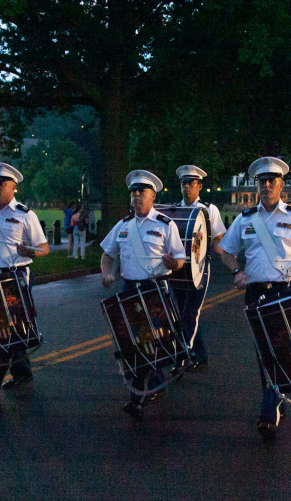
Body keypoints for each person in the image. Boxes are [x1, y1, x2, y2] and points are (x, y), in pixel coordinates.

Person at [218, 156, 291, 440]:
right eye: (262, 181)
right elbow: (226, 251)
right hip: (255, 293)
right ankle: (276, 397)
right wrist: (236, 271)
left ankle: (269, 411)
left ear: (281, 185)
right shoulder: (245, 219)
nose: (267, 186)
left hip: (285, 291)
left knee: (282, 349)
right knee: (263, 352)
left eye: (272, 181)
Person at [100, 170, 186, 421]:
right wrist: (107, 273)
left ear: (153, 195)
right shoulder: (122, 226)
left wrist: (174, 264)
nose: (136, 197)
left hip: (154, 289)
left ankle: (138, 396)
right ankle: (151, 384)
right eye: (134, 192)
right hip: (129, 289)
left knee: (152, 340)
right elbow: (107, 254)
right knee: (134, 341)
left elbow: (179, 259)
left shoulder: (165, 225)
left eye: (142, 192)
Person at [0, 162, 50, 405]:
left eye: (1, 183)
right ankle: (22, 372)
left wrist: (31, 251)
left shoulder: (25, 215)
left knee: (5, 329)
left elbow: (43, 248)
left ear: (13, 187)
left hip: (16, 278)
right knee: (9, 329)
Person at [170, 165, 227, 371]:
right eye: (183, 183)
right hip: (177, 270)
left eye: (191, 183)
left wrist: (229, 256)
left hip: (199, 269)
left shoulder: (209, 209)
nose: (186, 187)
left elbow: (218, 239)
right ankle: (200, 355)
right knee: (180, 314)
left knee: (190, 313)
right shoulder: (174, 209)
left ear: (199, 186)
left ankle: (182, 355)